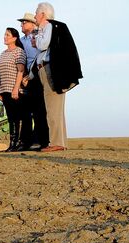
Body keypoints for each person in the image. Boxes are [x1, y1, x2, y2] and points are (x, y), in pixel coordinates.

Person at [34, 2, 83, 152]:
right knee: (55, 108)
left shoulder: (48, 27)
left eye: (36, 13)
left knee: (52, 108)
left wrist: (37, 37)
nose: (35, 16)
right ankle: (60, 142)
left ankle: (56, 142)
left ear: (42, 14)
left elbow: (42, 45)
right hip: (47, 70)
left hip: (50, 70)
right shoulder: (50, 28)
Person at [17, 12, 48, 150]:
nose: (22, 24)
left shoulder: (38, 37)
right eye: (22, 22)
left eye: (25, 22)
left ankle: (40, 140)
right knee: (25, 111)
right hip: (23, 77)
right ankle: (26, 140)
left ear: (33, 24)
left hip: (36, 76)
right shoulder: (20, 40)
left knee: (39, 110)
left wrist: (31, 75)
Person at [0, 28, 26, 152]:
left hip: (14, 89)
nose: (5, 37)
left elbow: (20, 71)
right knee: (10, 117)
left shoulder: (19, 52)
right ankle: (11, 142)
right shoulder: (3, 53)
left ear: (14, 38)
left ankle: (17, 142)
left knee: (16, 117)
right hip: (4, 89)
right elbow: (1, 73)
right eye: (4, 34)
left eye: (7, 35)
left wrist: (16, 88)